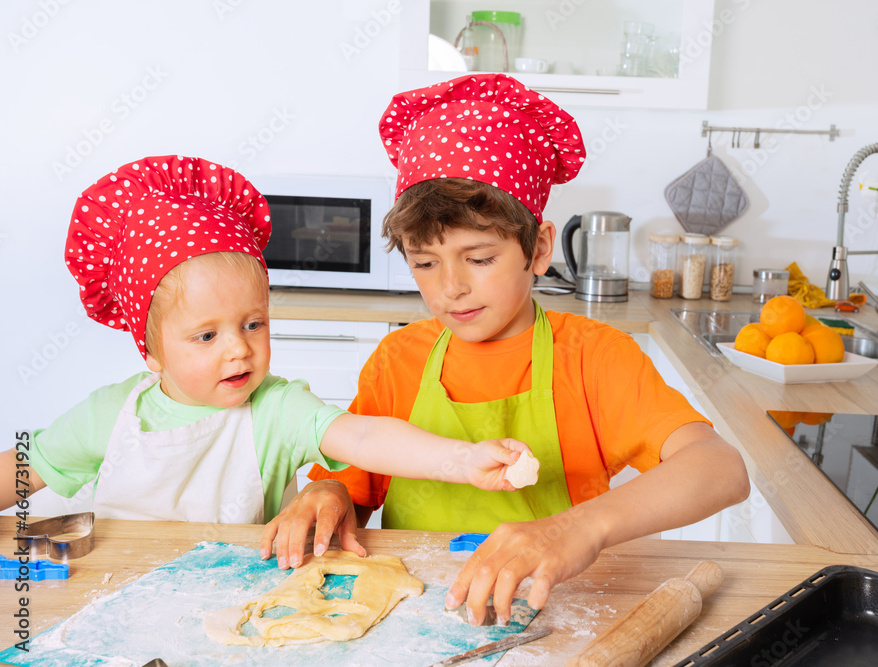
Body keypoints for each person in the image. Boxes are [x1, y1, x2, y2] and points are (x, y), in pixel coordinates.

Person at [262, 73, 751, 625]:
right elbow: (353, 482)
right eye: (425, 262)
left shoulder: (594, 357)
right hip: (414, 612)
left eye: (480, 258)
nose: (451, 288)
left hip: (552, 612)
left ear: (538, 248)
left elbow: (721, 470)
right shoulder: (399, 359)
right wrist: (326, 495)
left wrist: (577, 529)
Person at [0, 155, 529, 564]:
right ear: (152, 350)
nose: (239, 348)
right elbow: (21, 471)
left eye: (254, 324)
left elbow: (366, 439)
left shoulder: (277, 408)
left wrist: (462, 460)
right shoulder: (109, 416)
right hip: (114, 591)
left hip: (239, 601)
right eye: (206, 336)